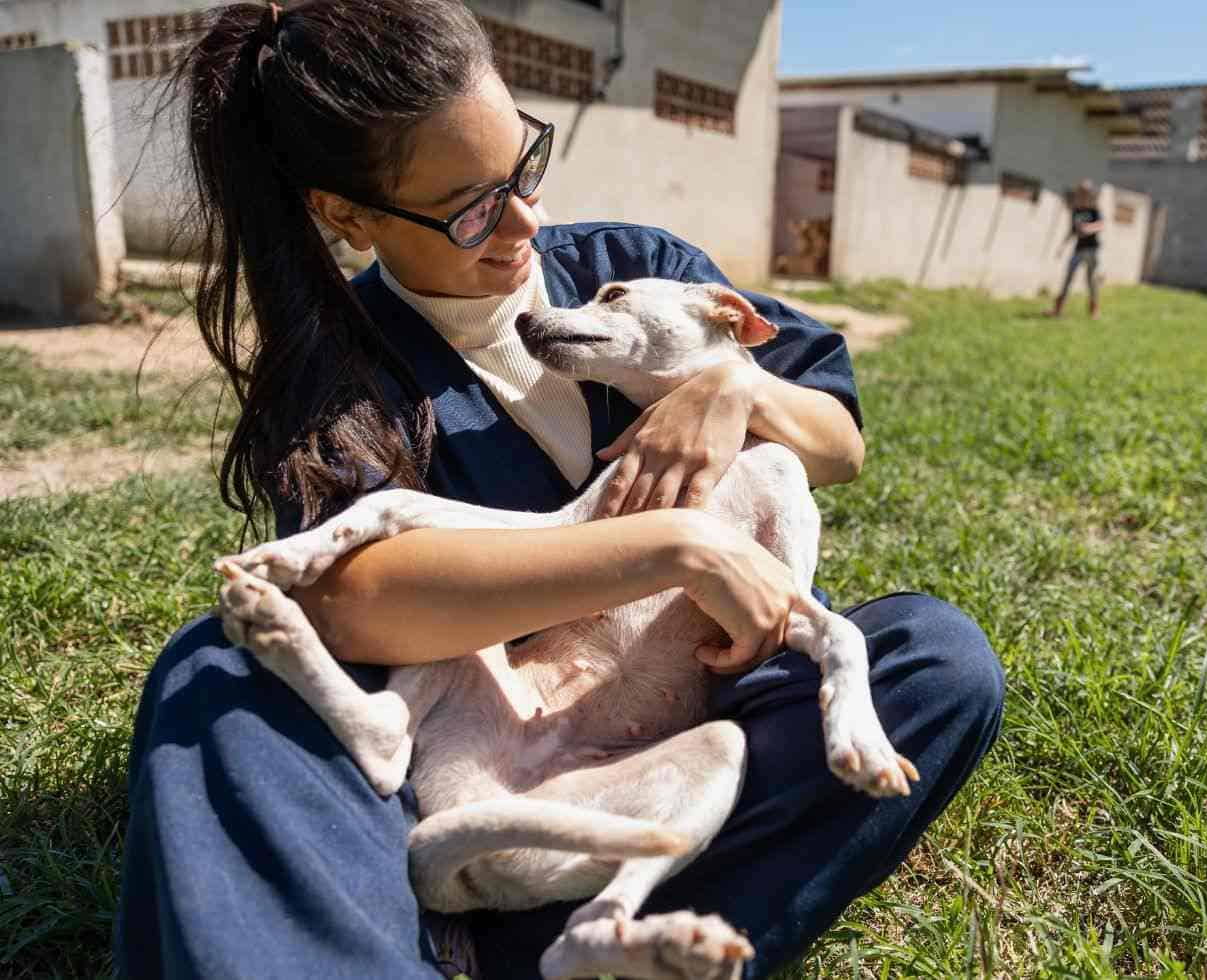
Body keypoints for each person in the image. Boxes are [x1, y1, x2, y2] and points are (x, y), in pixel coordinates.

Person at [113, 2, 1005, 977]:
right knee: (220, 675)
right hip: (476, 760)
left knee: (933, 662)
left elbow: (838, 439)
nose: (525, 223)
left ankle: (552, 952)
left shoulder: (631, 268)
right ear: (347, 214)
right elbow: (355, 600)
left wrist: (734, 384)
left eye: (523, 169)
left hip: (677, 732)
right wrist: (673, 545)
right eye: (469, 208)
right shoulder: (341, 366)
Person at [1046, 179, 1103, 319]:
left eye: (1086, 192)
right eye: (1081, 192)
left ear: (1090, 194)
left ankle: (1094, 310)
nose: (1084, 195)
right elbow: (1071, 231)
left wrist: (1088, 228)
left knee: (1090, 280)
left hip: (1091, 250)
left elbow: (1101, 225)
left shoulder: (1094, 210)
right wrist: (1062, 246)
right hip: (1078, 249)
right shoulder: (1076, 211)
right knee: (1068, 278)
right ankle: (1058, 309)